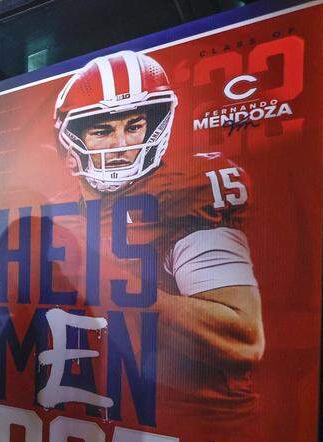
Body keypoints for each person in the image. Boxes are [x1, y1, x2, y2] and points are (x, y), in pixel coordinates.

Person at [54, 49, 264, 403]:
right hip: (107, 399)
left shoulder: (185, 193)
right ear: (72, 139)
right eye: (103, 130)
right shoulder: (64, 207)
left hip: (196, 414)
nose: (122, 146)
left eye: (134, 126)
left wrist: (121, 286)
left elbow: (243, 339)